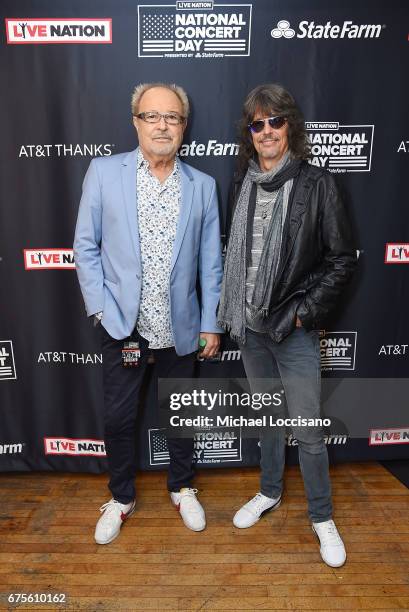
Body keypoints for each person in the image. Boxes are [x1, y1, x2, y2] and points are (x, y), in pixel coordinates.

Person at [74, 82, 222, 544]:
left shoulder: (203, 186)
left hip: (181, 325)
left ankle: (181, 487)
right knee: (119, 420)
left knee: (179, 414)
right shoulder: (103, 172)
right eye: (152, 116)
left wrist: (210, 322)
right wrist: (100, 308)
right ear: (136, 121)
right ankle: (121, 497)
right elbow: (85, 246)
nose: (162, 125)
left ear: (184, 126)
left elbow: (210, 261)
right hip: (123, 326)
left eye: (172, 117)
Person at [218, 83, 356, 567]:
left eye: (275, 121)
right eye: (257, 124)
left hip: (292, 330)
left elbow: (342, 260)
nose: (267, 131)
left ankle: (321, 515)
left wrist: (302, 313)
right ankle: (269, 492)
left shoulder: (318, 183)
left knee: (309, 430)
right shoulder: (242, 180)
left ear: (290, 126)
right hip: (250, 329)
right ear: (249, 134)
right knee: (269, 421)